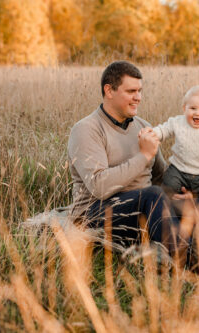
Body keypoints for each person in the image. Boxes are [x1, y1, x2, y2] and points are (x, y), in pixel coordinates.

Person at [67, 61, 177, 249]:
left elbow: (161, 176)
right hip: (96, 214)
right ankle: (184, 257)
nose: (138, 98)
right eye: (131, 91)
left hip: (147, 205)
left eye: (140, 91)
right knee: (153, 195)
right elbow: (99, 186)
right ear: (109, 91)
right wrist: (143, 156)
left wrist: (181, 190)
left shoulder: (143, 126)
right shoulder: (86, 130)